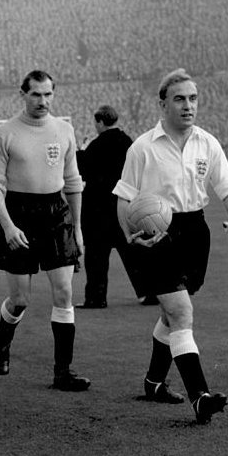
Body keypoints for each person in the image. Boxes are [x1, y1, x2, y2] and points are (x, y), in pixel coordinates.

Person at [112, 68, 228, 424]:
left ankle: (153, 382)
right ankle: (200, 397)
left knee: (170, 313)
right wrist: (132, 234)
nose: (188, 105)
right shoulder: (143, 148)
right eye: (179, 99)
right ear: (163, 104)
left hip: (194, 232)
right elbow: (124, 198)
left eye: (193, 98)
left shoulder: (207, 143)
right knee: (181, 313)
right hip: (156, 236)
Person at [0, 70, 89, 391]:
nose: (42, 101)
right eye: (36, 95)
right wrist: (8, 225)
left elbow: (72, 183)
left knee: (65, 292)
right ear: (23, 94)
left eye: (48, 95)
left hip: (56, 215)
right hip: (18, 214)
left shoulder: (64, 130)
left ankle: (62, 372)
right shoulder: (5, 134)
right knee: (20, 299)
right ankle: (2, 340)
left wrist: (78, 229)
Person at [76, 105, 147, 308]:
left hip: (99, 210)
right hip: (124, 207)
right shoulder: (128, 142)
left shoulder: (96, 145)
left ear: (99, 122)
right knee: (133, 253)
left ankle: (96, 298)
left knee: (96, 257)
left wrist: (82, 150)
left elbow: (83, 170)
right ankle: (148, 293)